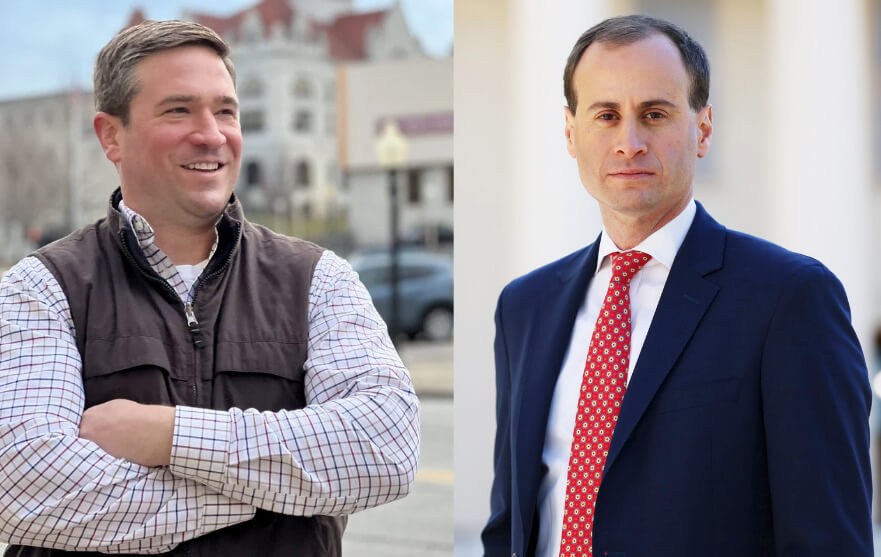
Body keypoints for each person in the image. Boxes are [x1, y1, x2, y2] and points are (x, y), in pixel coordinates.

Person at [0, 20, 418, 556]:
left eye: (225, 110)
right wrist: (275, 495)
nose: (212, 133)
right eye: (179, 110)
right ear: (111, 135)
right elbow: (24, 485)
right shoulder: (42, 287)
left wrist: (165, 435)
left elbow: (387, 447)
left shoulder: (319, 279)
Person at [482, 14, 872, 557]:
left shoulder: (790, 299)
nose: (629, 142)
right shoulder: (524, 307)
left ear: (703, 128)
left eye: (655, 114)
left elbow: (828, 539)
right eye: (606, 115)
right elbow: (510, 523)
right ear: (571, 133)